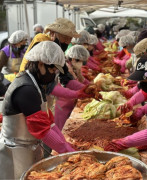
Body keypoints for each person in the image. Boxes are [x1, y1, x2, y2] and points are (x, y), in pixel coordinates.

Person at [0, 41, 75, 179]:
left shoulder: (36, 84)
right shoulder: (26, 89)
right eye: (52, 70)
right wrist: (66, 151)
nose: (53, 75)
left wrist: (65, 143)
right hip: (15, 152)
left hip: (28, 147)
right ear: (41, 64)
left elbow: (48, 122)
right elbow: (42, 130)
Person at [54, 45, 91, 130]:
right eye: (82, 62)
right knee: (60, 131)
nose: (82, 64)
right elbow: (71, 84)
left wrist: (89, 85)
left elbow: (79, 79)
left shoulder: (73, 67)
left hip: (68, 102)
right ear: (74, 59)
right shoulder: (65, 67)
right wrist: (89, 89)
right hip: (61, 106)